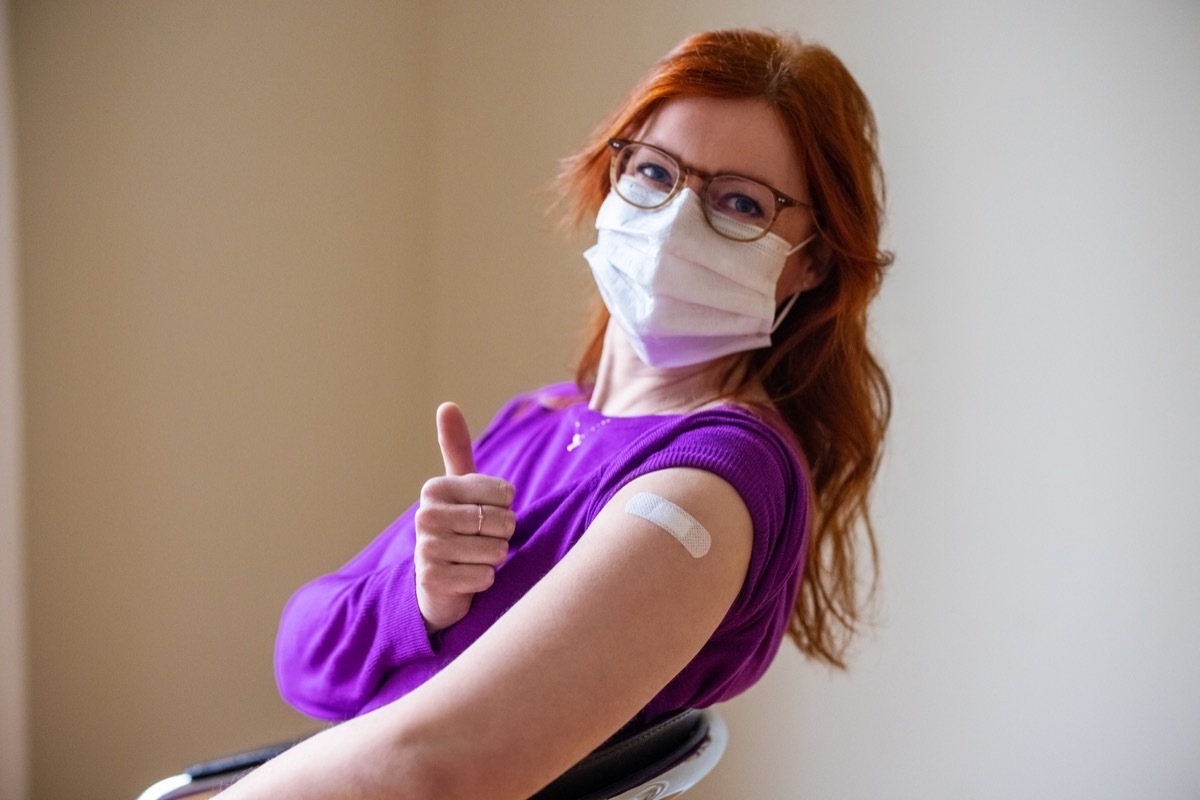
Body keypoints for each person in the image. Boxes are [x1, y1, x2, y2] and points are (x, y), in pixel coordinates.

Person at [220, 27, 890, 800]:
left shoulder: (710, 481)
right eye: (653, 171)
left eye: (739, 202)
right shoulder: (540, 419)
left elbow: (434, 769)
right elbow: (304, 661)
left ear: (812, 259)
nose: (675, 220)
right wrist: (417, 597)